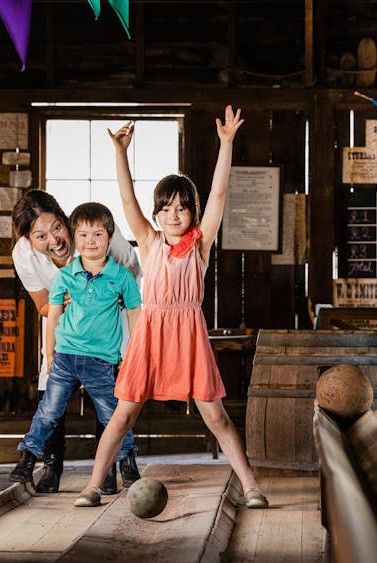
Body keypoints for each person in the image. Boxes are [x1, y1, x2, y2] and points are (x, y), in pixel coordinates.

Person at [74, 105, 268, 509]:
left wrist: (227, 144)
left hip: (189, 333)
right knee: (123, 414)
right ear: (157, 213)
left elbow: (218, 193)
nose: (173, 215)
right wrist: (120, 153)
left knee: (216, 418)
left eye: (182, 207)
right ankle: (93, 486)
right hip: (151, 332)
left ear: (192, 213)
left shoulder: (200, 244)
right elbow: (126, 201)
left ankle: (251, 486)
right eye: (166, 208)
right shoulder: (147, 241)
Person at [12, 190, 142, 493]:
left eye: (56, 227)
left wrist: (99, 305)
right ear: (30, 239)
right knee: (51, 397)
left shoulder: (96, 235)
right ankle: (52, 465)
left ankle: (109, 468)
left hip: (109, 320)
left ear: (65, 220)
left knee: (110, 399)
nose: (54, 240)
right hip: (64, 330)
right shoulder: (25, 254)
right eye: (40, 236)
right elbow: (44, 307)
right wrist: (68, 306)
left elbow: (130, 282)